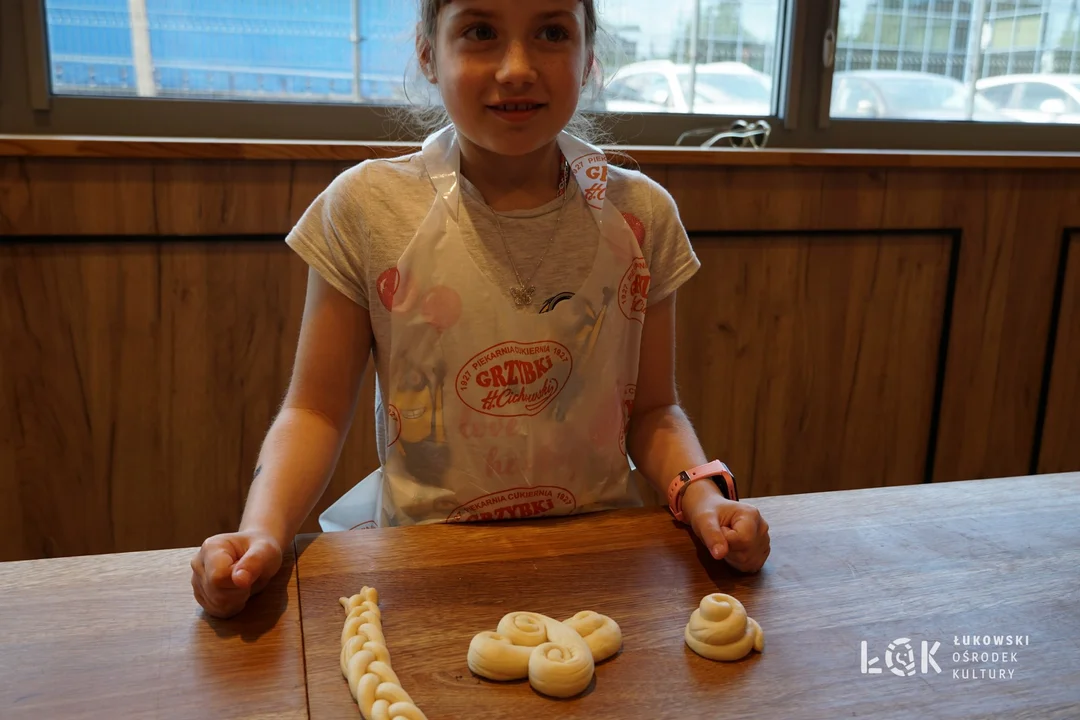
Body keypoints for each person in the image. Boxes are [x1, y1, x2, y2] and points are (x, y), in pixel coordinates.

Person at [190, 0, 771, 619]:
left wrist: (704, 499)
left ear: (589, 57)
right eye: (480, 32)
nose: (517, 68)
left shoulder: (641, 216)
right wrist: (263, 531)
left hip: (601, 557)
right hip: (423, 563)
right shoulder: (365, 209)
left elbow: (654, 411)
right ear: (427, 54)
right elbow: (314, 411)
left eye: (551, 32)